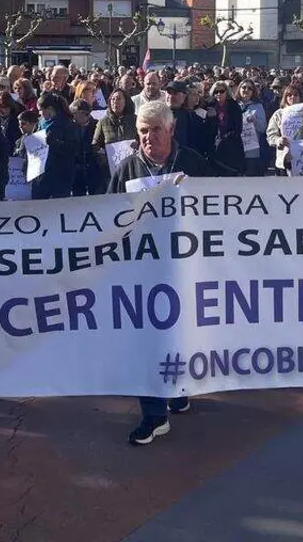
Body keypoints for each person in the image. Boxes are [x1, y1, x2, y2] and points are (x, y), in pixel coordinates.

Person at [107, 101, 210, 446]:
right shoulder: (127, 168)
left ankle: (177, 391)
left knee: (181, 331)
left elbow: (223, 202)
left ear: (171, 131)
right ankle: (154, 416)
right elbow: (109, 214)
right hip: (142, 270)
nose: (148, 138)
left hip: (185, 266)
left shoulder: (193, 162)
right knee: (147, 337)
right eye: (142, 131)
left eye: (155, 130)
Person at [29, 94, 81, 200]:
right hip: (41, 174)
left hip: (60, 175)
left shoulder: (68, 124)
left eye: (41, 110)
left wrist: (56, 144)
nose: (39, 113)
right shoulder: (40, 123)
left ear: (50, 109)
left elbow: (74, 149)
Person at [207, 81, 245, 176]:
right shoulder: (209, 106)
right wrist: (212, 118)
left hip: (232, 148)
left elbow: (238, 129)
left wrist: (224, 139)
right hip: (214, 150)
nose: (218, 94)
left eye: (221, 91)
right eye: (216, 92)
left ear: (226, 92)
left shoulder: (234, 106)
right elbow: (207, 129)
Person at [266, 85, 303, 173]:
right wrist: (278, 140)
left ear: (300, 97)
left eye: (295, 94)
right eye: (289, 95)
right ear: (285, 97)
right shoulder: (278, 114)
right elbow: (271, 135)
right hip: (284, 158)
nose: (292, 97)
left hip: (302, 156)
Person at [236, 80, 269, 177]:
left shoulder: (258, 106)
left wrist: (255, 122)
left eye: (250, 88)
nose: (246, 90)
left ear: (253, 91)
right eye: (244, 87)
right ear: (239, 89)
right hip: (235, 149)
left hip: (251, 151)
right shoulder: (233, 105)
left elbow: (263, 128)